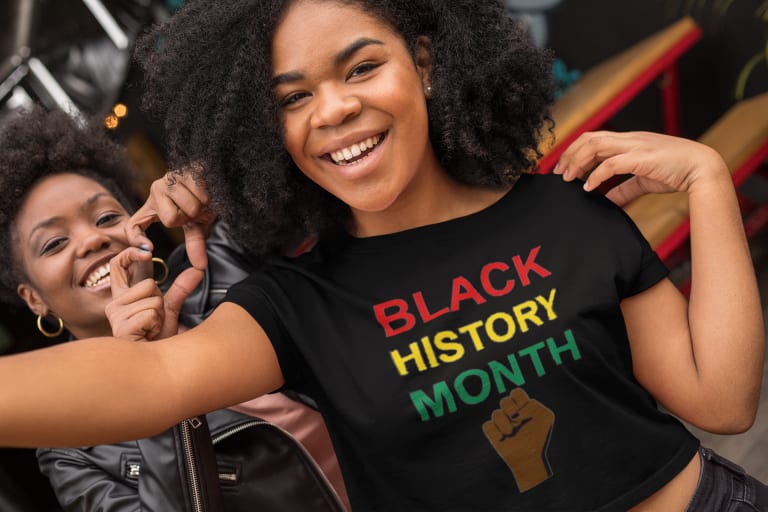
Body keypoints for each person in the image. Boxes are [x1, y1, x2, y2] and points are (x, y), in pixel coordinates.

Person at [0, 1, 767, 510]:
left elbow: (722, 401)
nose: (334, 109)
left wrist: (707, 181)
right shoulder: (299, 304)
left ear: (425, 63)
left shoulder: (564, 209)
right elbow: (154, 378)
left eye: (361, 67)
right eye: (293, 98)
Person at [0, 105, 348, 511]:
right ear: (34, 298)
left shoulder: (225, 267)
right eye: (54, 243)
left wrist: (218, 177)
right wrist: (149, 381)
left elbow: (316, 147)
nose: (92, 240)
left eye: (107, 216)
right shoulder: (72, 450)